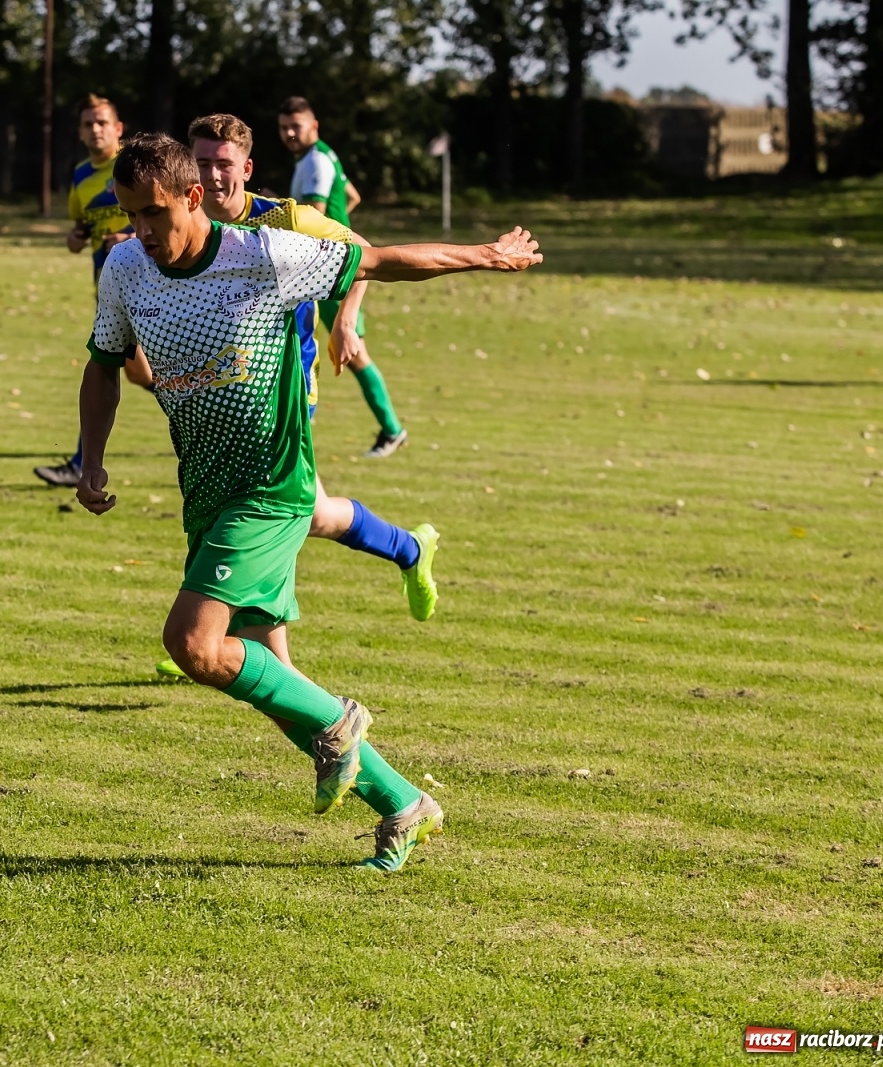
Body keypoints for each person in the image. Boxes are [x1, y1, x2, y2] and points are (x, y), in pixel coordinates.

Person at [76, 132, 541, 871]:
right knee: (269, 673)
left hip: (271, 487)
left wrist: (486, 254)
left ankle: (341, 722)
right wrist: (92, 457)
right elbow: (104, 364)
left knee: (192, 645)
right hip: (208, 491)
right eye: (130, 214)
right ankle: (404, 803)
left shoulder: (262, 255)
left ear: (192, 197)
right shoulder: (128, 268)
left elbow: (381, 261)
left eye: (154, 213)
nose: (141, 230)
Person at [189, 112, 437, 623]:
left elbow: (364, 250)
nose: (212, 175)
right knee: (312, 513)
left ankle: (214, 634)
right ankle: (409, 548)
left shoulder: (286, 220)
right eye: (202, 163)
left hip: (287, 387)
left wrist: (345, 320)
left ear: (247, 169)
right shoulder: (189, 220)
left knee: (258, 507)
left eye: (223, 164)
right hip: (224, 388)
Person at [278, 96, 408, 459]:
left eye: (296, 126)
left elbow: (313, 217)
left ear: (314, 126)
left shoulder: (316, 162)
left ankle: (392, 429)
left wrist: (330, 234)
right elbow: (352, 196)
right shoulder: (321, 156)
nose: (290, 133)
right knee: (316, 347)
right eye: (284, 127)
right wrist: (341, 226)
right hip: (326, 268)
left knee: (352, 353)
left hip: (332, 271)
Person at [34, 95, 153, 487]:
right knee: (139, 372)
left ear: (119, 129)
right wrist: (75, 238)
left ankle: (79, 464)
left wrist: (130, 237)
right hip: (110, 292)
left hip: (151, 287)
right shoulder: (82, 175)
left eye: (102, 122)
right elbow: (80, 230)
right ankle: (197, 416)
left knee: (107, 366)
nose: (95, 130)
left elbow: (170, 216)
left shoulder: (137, 166)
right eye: (88, 124)